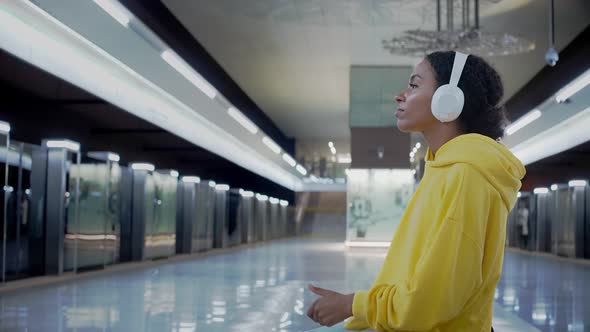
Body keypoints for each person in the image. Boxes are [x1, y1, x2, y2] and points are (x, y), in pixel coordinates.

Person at [306, 51, 525, 331]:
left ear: (449, 98)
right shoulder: (443, 167)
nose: (400, 95)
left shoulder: (466, 176)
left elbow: (431, 301)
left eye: (414, 85)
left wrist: (351, 304)